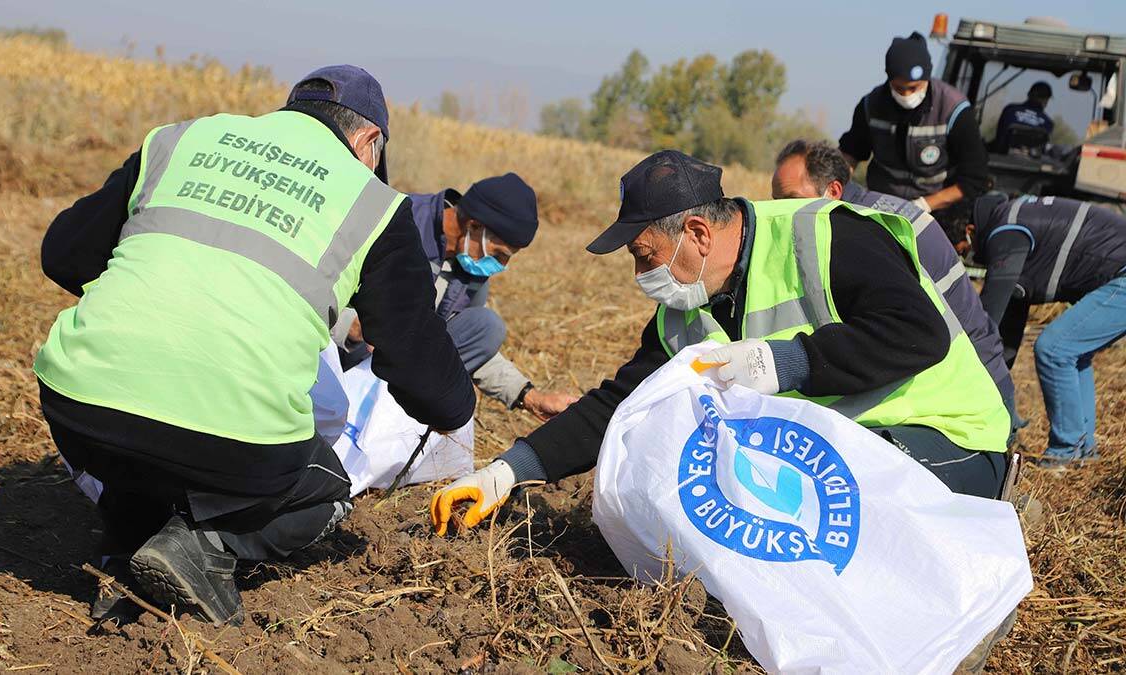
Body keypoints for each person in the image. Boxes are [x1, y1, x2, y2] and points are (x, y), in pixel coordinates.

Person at [33, 65, 475, 625]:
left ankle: (127, 544)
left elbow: (63, 254)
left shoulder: (179, 139)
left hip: (77, 412)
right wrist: (458, 406)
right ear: (369, 141)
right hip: (230, 444)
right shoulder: (372, 202)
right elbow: (423, 373)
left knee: (148, 445)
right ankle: (205, 548)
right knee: (326, 491)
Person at [431, 149, 1010, 540]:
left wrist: (787, 361)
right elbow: (618, 405)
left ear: (698, 234)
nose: (641, 276)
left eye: (645, 256)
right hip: (834, 452)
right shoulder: (681, 312)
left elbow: (918, 332)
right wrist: (506, 472)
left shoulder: (828, 234)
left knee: (827, 519)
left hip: (945, 437)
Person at [771, 139, 1017, 421]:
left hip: (976, 392)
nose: (778, 212)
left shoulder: (869, 228)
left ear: (833, 191)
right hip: (973, 376)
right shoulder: (867, 212)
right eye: (775, 202)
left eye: (789, 200)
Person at [335, 175, 579, 419]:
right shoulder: (396, 223)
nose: (502, 266)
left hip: (395, 368)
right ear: (474, 226)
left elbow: (465, 348)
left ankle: (392, 414)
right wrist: (353, 325)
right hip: (342, 351)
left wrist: (530, 397)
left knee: (485, 327)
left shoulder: (471, 274)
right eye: (499, 254)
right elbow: (320, 283)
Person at [937, 194, 1126, 467]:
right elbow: (1006, 331)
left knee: (1054, 349)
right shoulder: (1016, 224)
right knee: (1072, 353)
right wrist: (1000, 392)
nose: (969, 257)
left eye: (963, 251)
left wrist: (949, 374)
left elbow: (986, 318)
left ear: (970, 230)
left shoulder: (1007, 231)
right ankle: (1083, 452)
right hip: (1118, 273)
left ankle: (1064, 454)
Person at [839, 32, 988, 213]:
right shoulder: (870, 106)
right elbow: (851, 152)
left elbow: (974, 179)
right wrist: (835, 184)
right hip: (882, 206)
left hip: (935, 210)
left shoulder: (954, 110)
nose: (907, 95)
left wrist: (922, 206)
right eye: (899, 88)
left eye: (913, 88)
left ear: (927, 78)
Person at [991, 82, 1054, 155]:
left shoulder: (1010, 110)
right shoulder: (1048, 122)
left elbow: (999, 137)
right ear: (1046, 100)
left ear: (1029, 94)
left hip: (1002, 156)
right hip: (1030, 160)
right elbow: (1043, 148)